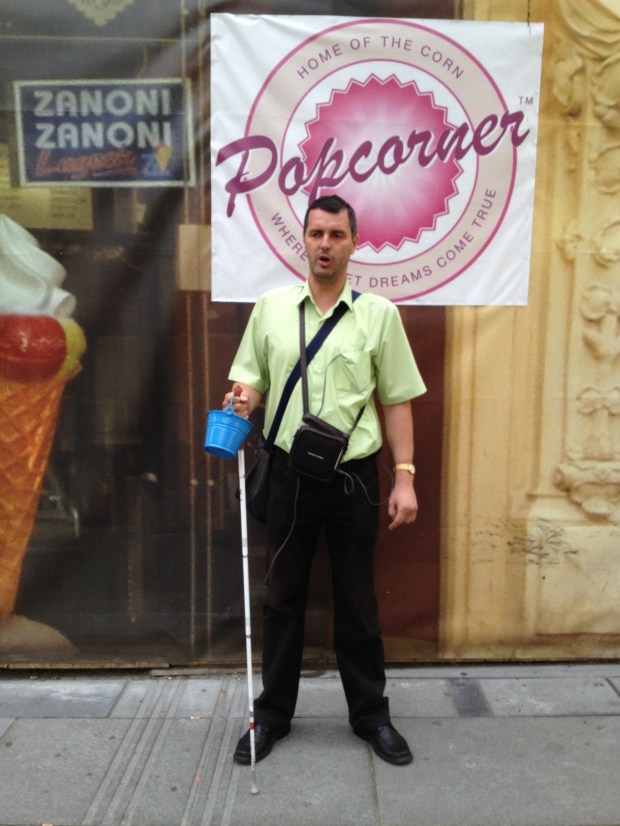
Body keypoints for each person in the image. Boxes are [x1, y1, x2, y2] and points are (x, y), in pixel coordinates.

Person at [223, 194, 426, 766]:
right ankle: (271, 718)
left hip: (353, 480)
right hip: (287, 473)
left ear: (354, 243)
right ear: (303, 240)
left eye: (337, 235)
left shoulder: (378, 315)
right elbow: (250, 380)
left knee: (358, 601)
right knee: (282, 599)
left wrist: (404, 478)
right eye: (316, 234)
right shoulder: (271, 309)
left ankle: (371, 717)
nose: (325, 245)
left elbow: (399, 402)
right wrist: (241, 404)